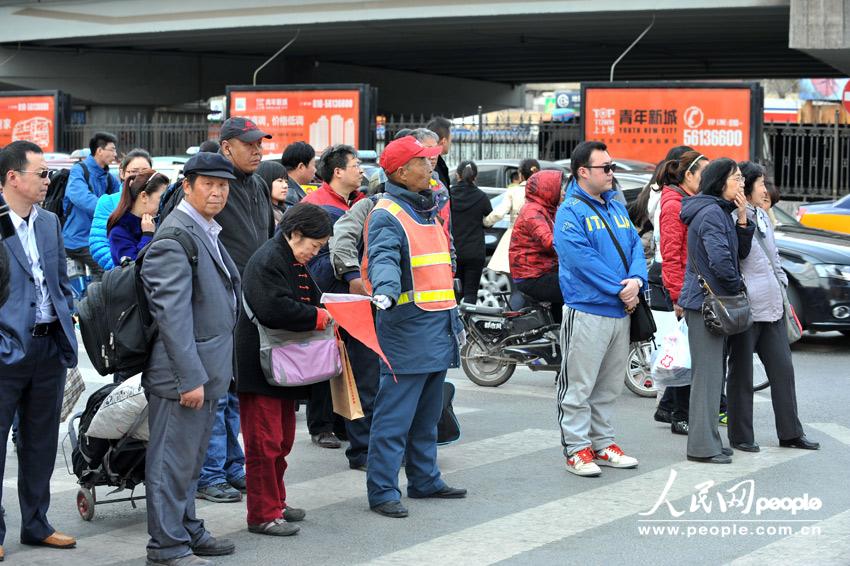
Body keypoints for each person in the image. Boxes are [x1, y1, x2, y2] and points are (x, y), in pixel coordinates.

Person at [140, 152, 240, 566]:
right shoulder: (175, 235)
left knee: (191, 462)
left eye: (223, 185)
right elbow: (172, 317)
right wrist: (189, 378)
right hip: (184, 374)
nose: (217, 192)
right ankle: (166, 546)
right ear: (188, 186)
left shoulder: (205, 229)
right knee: (170, 463)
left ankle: (186, 527)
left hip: (207, 370)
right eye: (208, 184)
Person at [363, 135, 467, 518]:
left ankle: (424, 479)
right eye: (424, 162)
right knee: (393, 420)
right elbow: (383, 257)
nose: (431, 168)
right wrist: (386, 290)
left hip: (436, 328)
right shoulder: (388, 212)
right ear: (403, 171)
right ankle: (383, 491)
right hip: (406, 332)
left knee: (427, 415)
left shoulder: (427, 209)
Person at [0, 140, 79, 561]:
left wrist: (68, 322)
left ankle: (37, 523)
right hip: (6, 351)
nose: (49, 181)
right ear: (13, 177)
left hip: (49, 348)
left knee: (41, 441)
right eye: (42, 174)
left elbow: (59, 280)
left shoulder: (49, 221)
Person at [239, 202, 333, 537]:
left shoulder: (291, 258)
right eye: (314, 245)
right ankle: (262, 514)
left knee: (282, 442)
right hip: (261, 366)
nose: (315, 252)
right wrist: (318, 317)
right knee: (264, 444)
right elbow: (273, 308)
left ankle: (276, 502)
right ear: (295, 234)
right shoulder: (269, 259)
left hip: (284, 364)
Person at [553, 141, 647, 477]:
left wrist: (636, 279)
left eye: (612, 166)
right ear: (582, 172)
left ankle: (603, 443)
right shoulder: (569, 213)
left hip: (620, 310)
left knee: (608, 387)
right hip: (588, 310)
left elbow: (636, 245)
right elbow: (582, 261)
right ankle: (577, 450)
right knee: (578, 386)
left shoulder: (616, 206)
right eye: (605, 168)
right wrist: (622, 289)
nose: (611, 173)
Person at [196, 116, 276, 504]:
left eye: (260, 143)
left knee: (235, 388)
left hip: (250, 303)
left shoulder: (258, 185)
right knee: (217, 392)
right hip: (216, 305)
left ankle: (231, 465)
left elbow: (267, 240)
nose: (258, 150)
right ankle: (209, 474)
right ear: (226, 146)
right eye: (250, 144)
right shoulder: (209, 186)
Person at [726, 161, 819, 453]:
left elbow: (774, 258)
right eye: (761, 184)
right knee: (741, 375)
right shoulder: (731, 218)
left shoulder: (764, 217)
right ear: (747, 188)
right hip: (747, 309)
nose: (766, 190)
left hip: (774, 307)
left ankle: (791, 433)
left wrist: (784, 296)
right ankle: (741, 436)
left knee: (783, 371)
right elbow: (734, 260)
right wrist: (742, 216)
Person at [678, 158, 754, 464]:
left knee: (712, 376)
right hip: (706, 303)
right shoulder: (710, 213)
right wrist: (738, 287)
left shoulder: (722, 212)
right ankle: (701, 446)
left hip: (713, 302)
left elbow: (739, 252)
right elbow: (722, 262)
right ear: (720, 181)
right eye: (736, 179)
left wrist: (743, 219)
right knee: (708, 377)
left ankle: (710, 439)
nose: (742, 184)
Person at [302, 144, 366, 450]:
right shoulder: (315, 205)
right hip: (325, 291)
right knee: (325, 356)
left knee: (349, 357)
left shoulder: (358, 203)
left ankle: (344, 419)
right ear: (338, 171)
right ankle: (321, 424)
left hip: (352, 294)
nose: (361, 170)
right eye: (355, 165)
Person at [657, 150, 709, 435]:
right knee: (686, 356)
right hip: (681, 289)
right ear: (688, 175)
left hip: (687, 287)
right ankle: (680, 415)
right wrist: (678, 296)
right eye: (702, 173)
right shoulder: (673, 204)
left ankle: (667, 407)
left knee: (686, 353)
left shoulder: (687, 200)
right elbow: (671, 253)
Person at [62, 132, 121, 281]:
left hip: (96, 235)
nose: (115, 154)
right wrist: (106, 209)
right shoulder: (79, 170)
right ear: (99, 151)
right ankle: (95, 302)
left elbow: (122, 198)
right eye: (112, 149)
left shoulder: (108, 177)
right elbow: (79, 196)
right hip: (78, 238)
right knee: (105, 268)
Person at [509, 169, 565, 321]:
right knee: (573, 286)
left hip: (543, 271)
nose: (564, 192)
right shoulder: (533, 211)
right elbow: (549, 241)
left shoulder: (548, 210)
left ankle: (558, 331)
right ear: (548, 190)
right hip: (531, 276)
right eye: (560, 188)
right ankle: (562, 332)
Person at [90, 148, 153, 270]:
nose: (139, 177)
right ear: (122, 173)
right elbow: (98, 245)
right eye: (133, 172)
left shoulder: (158, 200)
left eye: (145, 172)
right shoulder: (108, 202)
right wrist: (122, 270)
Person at [484, 158, 540, 274]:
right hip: (538, 236)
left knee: (512, 270)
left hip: (515, 235)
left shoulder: (514, 191)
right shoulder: (542, 191)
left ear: (520, 175)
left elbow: (499, 213)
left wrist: (486, 222)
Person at [450, 160, 492, 304]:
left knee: (454, 291)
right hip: (475, 252)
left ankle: (457, 323)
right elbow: (489, 219)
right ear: (475, 177)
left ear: (457, 175)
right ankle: (469, 323)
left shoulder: (448, 196)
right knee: (470, 293)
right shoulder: (481, 196)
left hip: (453, 251)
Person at [107, 170, 169, 265]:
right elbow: (135, 268)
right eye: (161, 198)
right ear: (144, 196)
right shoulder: (119, 231)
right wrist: (147, 235)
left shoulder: (158, 221)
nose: (164, 203)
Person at [281, 141, 317, 206]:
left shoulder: (285, 188)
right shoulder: (290, 194)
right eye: (314, 165)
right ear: (301, 167)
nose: (315, 170)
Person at [425, 116, 452, 191]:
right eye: (450, 139)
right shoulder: (433, 165)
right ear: (444, 141)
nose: (451, 143)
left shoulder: (425, 162)